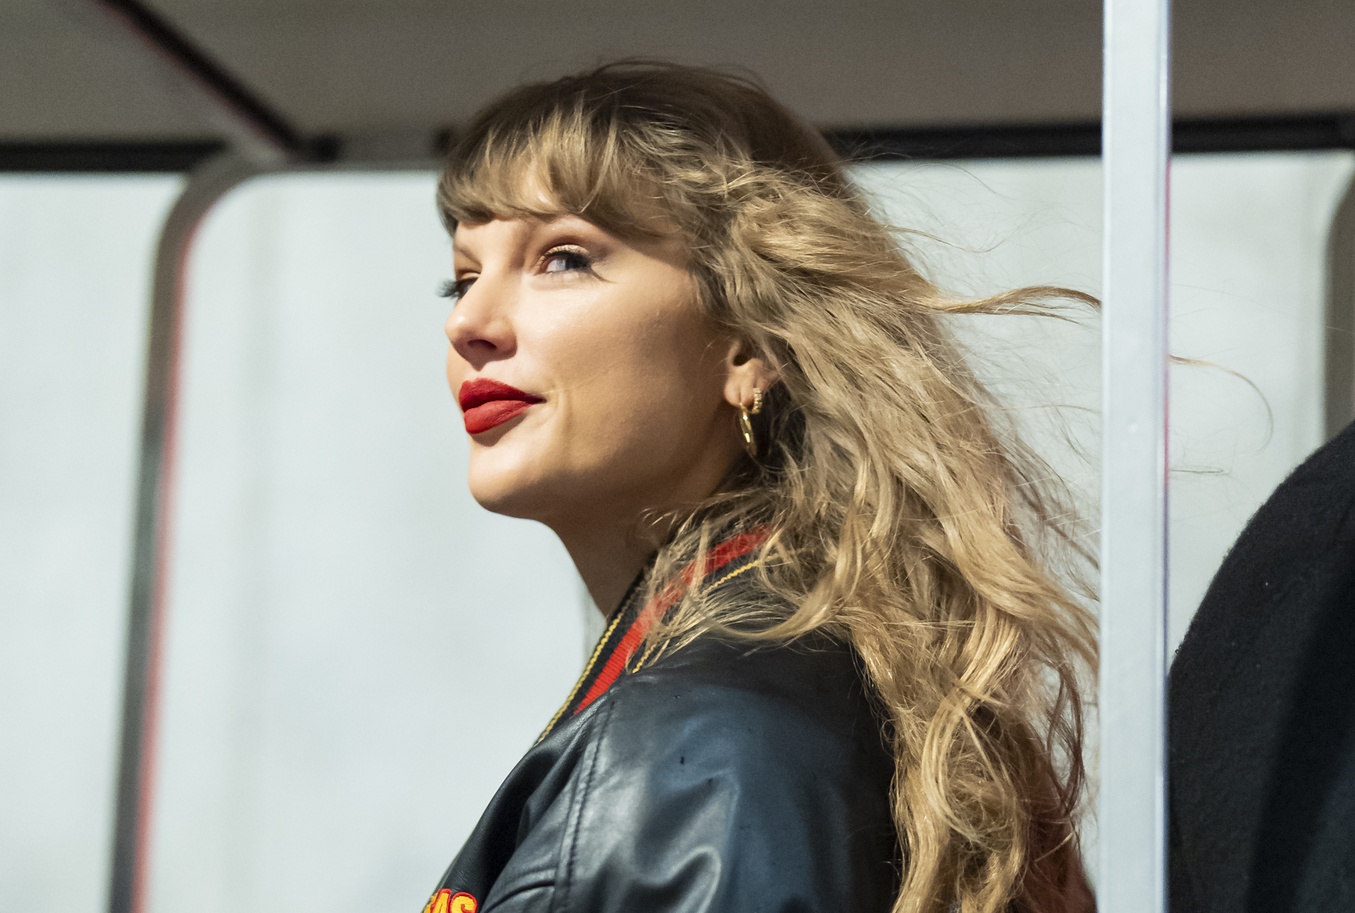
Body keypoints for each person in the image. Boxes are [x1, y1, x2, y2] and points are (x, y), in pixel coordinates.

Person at [424, 62, 1097, 913]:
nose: (468, 323)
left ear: (748, 344)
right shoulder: (804, 673)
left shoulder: (702, 744)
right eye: (463, 274)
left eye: (561, 258)